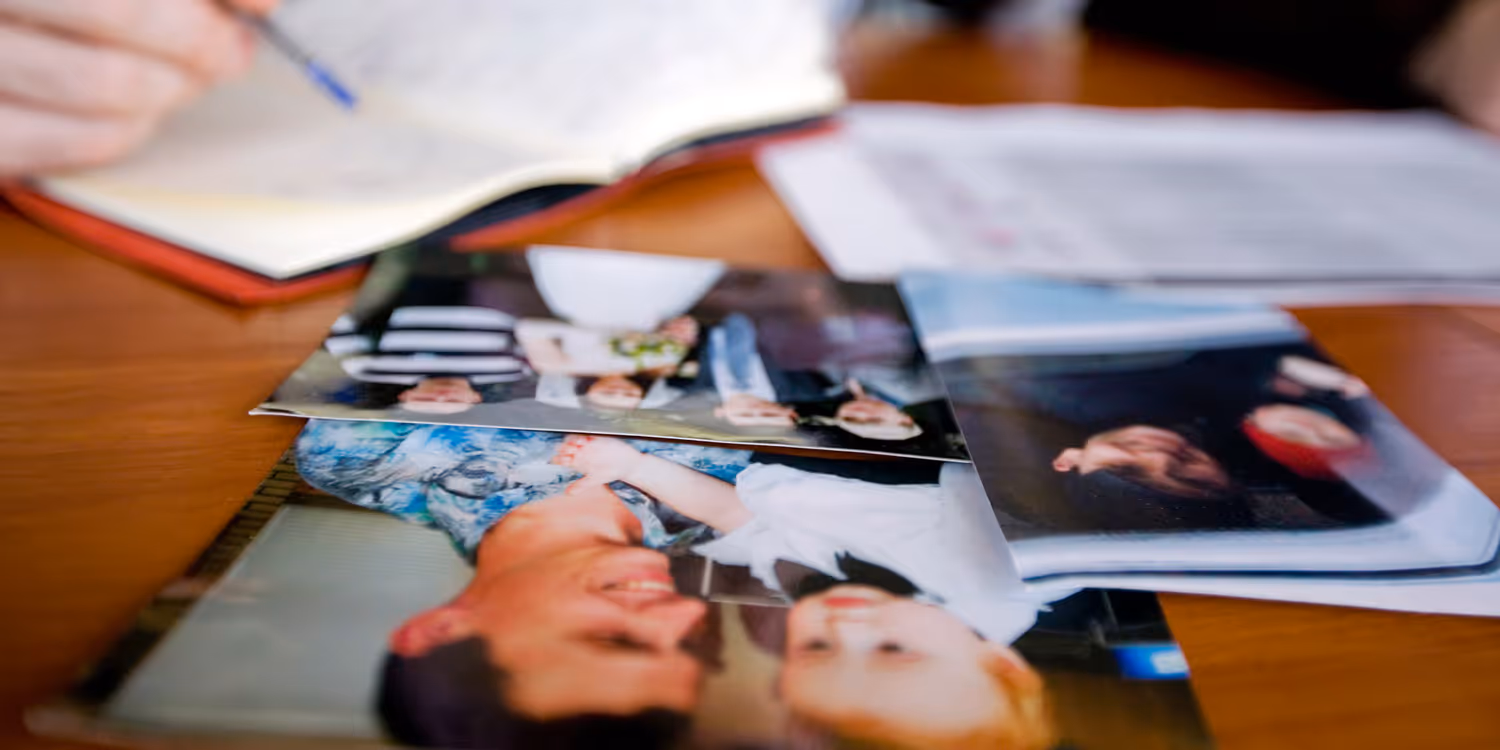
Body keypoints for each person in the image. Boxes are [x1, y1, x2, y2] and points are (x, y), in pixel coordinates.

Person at [295, 420, 749, 747]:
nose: (687, 611)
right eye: (690, 643)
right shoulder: (743, 513)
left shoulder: (365, 459)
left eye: (615, 639)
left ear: (440, 630)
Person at [325, 306, 529, 415]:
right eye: (454, 401)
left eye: (425, 400)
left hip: (404, 284)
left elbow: (338, 323)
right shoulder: (512, 370)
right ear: (475, 398)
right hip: (492, 290)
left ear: (406, 395)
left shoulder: (368, 369)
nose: (441, 396)